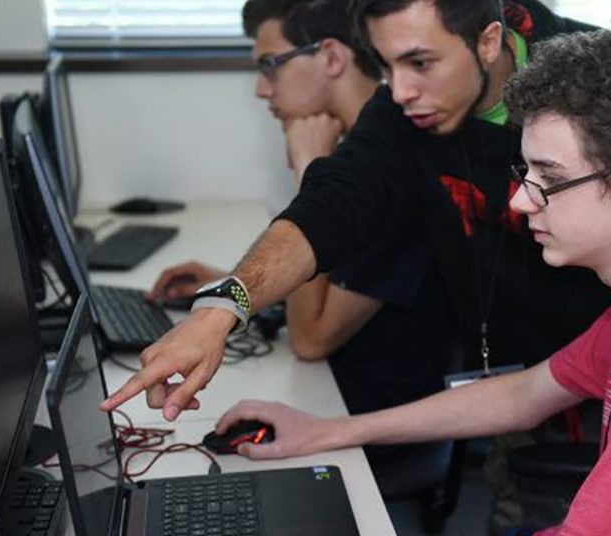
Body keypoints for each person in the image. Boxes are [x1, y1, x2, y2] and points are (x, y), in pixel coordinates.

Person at [206, 24, 611, 536]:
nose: (519, 200)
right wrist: (326, 431)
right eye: (525, 172)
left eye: (547, 178)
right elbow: (524, 394)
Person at [103, 0, 611, 429]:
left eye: (420, 63)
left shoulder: (598, 81)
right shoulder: (402, 111)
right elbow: (331, 204)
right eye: (386, 65)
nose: (400, 90)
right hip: (512, 398)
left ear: (487, 41)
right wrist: (221, 308)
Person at [146, 0, 458, 428]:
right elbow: (334, 282)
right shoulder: (364, 152)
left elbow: (311, 338)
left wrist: (309, 169)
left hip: (376, 423)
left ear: (331, 57)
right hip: (337, 395)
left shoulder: (388, 170)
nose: (262, 89)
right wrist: (237, 290)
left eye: (271, 65)